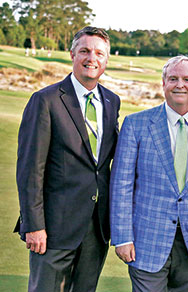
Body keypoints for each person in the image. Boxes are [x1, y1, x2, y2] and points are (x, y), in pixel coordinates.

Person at [15, 26, 121, 291]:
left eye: (99, 53)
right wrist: (34, 225)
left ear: (107, 60)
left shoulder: (111, 101)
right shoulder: (45, 100)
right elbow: (30, 169)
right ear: (72, 54)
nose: (91, 58)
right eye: (84, 50)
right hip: (53, 228)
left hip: (96, 229)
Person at [110, 55, 188, 292]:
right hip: (146, 241)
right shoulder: (136, 125)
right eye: (173, 78)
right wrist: (122, 236)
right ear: (163, 84)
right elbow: (121, 185)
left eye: (186, 79)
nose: (179, 85)